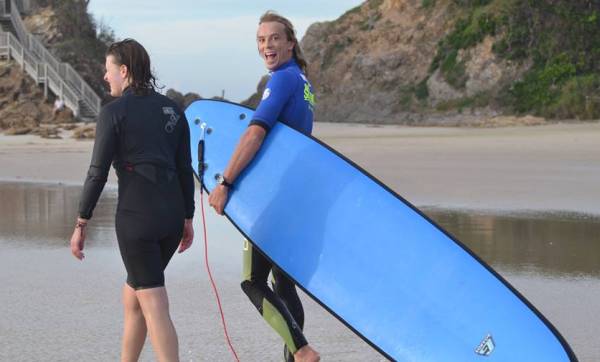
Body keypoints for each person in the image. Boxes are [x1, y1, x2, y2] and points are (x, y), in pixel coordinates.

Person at [69, 39, 195, 362]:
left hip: (138, 218)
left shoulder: (113, 113)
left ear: (123, 71)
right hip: (171, 217)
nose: (105, 76)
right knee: (134, 298)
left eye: (108, 69)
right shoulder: (174, 111)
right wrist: (187, 218)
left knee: (154, 304)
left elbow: (97, 172)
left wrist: (81, 221)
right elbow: (184, 168)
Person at [208, 11, 319, 362]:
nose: (266, 45)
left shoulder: (282, 80)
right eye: (260, 39)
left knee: (251, 280)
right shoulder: (303, 82)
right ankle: (297, 357)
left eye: (274, 38)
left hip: (274, 196)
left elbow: (256, 132)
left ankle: (301, 352)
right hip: (295, 194)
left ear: (290, 42)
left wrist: (225, 182)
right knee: (283, 284)